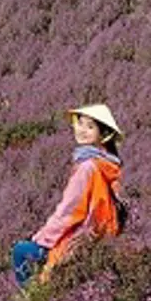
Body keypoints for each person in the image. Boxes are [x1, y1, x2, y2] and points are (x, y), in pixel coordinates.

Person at [12, 104, 125, 288]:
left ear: (103, 134)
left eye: (90, 127)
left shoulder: (87, 167)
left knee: (21, 251)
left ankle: (30, 299)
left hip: (79, 238)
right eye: (80, 123)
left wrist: (44, 238)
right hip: (101, 235)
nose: (82, 130)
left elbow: (70, 211)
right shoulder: (107, 163)